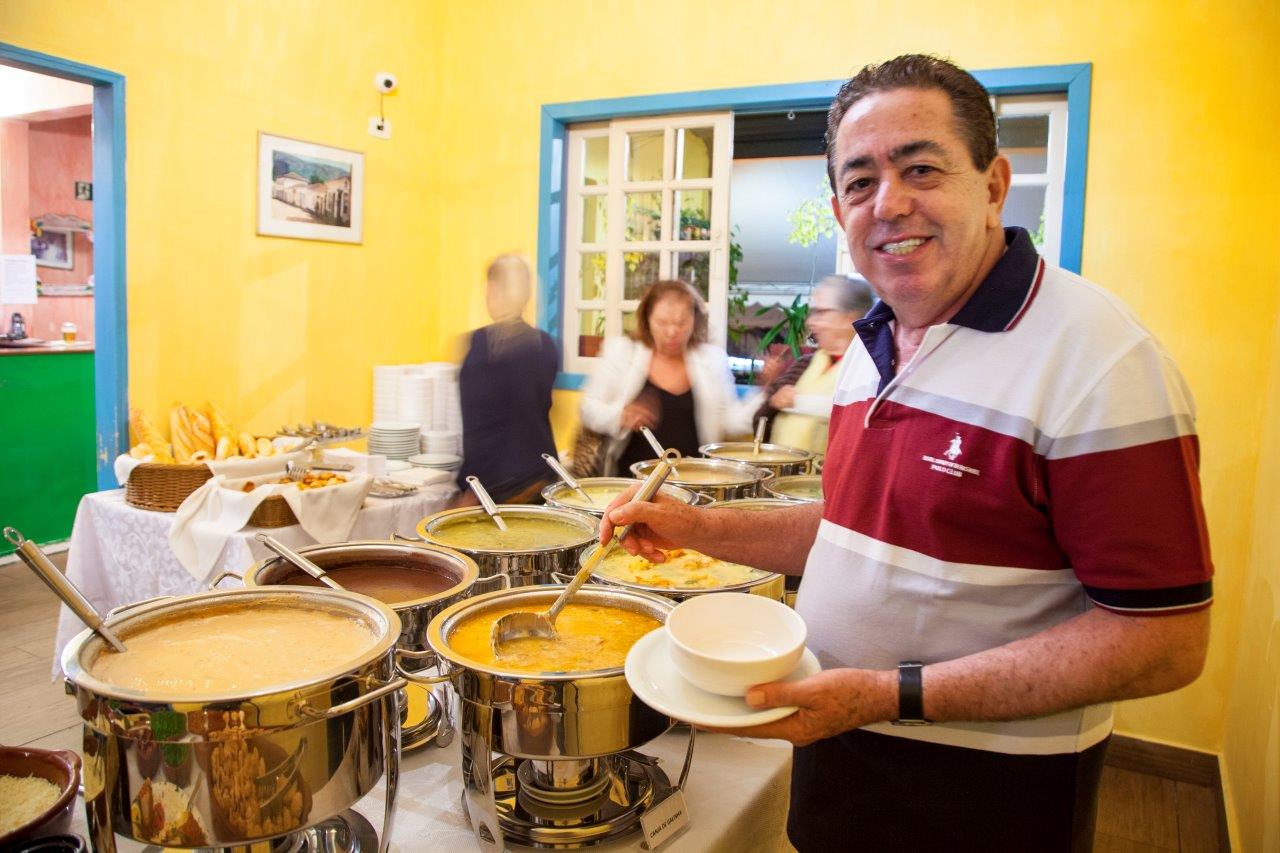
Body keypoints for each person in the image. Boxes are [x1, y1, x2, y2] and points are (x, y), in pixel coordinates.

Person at [600, 54, 1212, 851]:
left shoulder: (1099, 359)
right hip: (839, 755)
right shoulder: (873, 345)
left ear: (993, 184)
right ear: (839, 209)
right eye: (861, 181)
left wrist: (893, 695)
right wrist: (697, 528)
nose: (888, 203)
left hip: (991, 795)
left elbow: (1163, 641)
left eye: (920, 168)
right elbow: (854, 530)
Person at [579, 279, 761, 475]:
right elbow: (588, 409)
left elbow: (730, 423)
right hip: (633, 480)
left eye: (681, 323)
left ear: (695, 320)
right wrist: (622, 416)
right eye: (662, 322)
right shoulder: (622, 352)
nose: (672, 332)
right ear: (647, 319)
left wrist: (767, 394)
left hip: (693, 480)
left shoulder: (712, 359)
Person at [452, 254, 558, 504]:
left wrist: (472, 487)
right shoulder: (545, 344)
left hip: (500, 488)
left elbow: (482, 425)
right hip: (544, 476)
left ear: (492, 289)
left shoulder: (481, 345)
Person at [755, 274, 874, 453]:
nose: (811, 321)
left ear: (849, 318)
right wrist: (773, 403)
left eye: (822, 313)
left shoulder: (871, 373)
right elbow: (759, 422)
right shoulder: (804, 365)